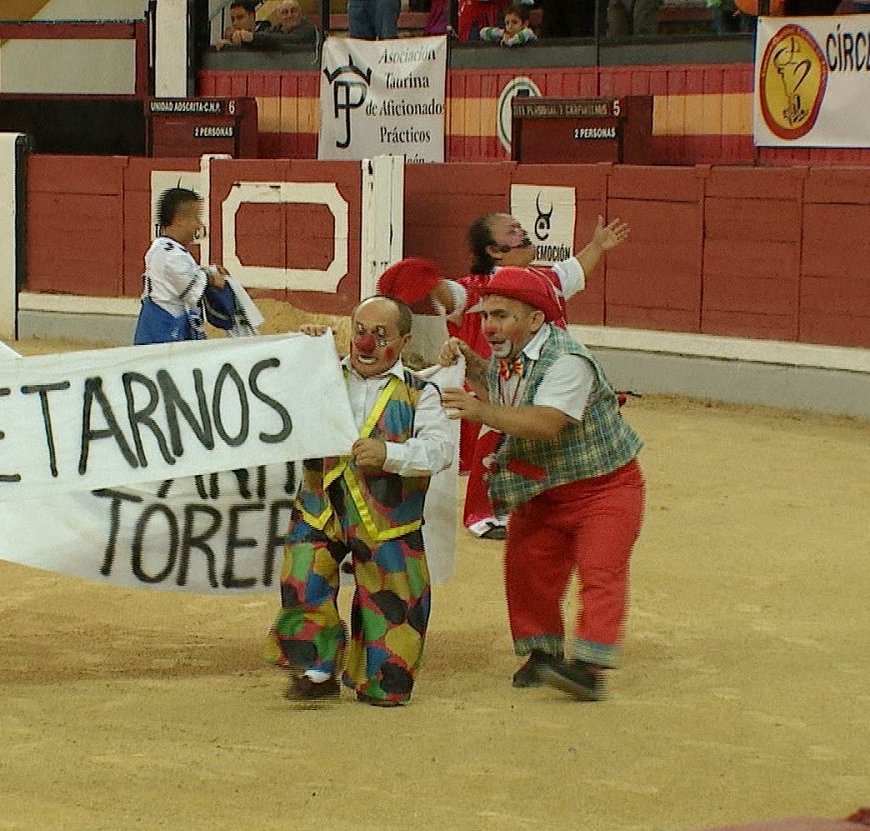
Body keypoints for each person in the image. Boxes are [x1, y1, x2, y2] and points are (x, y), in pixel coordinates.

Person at [440, 267, 645, 702]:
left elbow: (546, 422)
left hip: (604, 489)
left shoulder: (568, 361)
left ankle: (589, 669)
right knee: (527, 569)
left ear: (535, 320)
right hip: (541, 491)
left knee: (600, 573)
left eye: (501, 315)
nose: (489, 326)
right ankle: (542, 655)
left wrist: (478, 412)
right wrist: (473, 365)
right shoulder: (510, 354)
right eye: (486, 316)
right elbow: (502, 393)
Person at [268, 296, 453, 707]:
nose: (366, 344)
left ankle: (381, 679)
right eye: (361, 331)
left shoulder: (421, 393)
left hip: (389, 517)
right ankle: (316, 670)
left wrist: (391, 455)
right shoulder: (324, 373)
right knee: (303, 577)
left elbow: (440, 451)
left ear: (404, 341)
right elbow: (276, 399)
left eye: (381, 335)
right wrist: (304, 353)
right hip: (322, 506)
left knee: (392, 600)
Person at [448, 212, 629, 539]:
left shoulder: (545, 278)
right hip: (501, 381)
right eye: (512, 230)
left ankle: (533, 505)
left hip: (542, 377)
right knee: (499, 440)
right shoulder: (476, 288)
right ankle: (485, 515)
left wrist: (598, 246)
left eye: (519, 226)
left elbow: (576, 269)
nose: (522, 231)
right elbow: (448, 296)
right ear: (495, 251)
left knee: (543, 442)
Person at [134, 187, 245, 344]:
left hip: (164, 329)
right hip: (164, 333)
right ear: (180, 220)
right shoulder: (169, 253)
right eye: (196, 218)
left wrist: (208, 271)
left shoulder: (166, 249)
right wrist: (212, 279)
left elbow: (184, 276)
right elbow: (187, 281)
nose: (199, 224)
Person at [230, 0, 315, 49]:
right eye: (285, 12)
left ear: (300, 14)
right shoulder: (274, 29)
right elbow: (264, 41)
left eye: (293, 11)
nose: (289, 15)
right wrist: (229, 44)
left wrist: (253, 37)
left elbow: (291, 40)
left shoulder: (308, 28)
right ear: (279, 17)